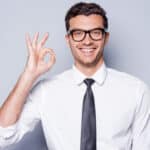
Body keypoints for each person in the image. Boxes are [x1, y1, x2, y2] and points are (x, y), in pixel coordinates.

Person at [0, 2, 150, 150]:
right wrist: (28, 75)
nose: (87, 40)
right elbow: (3, 136)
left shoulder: (136, 91)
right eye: (78, 33)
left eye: (96, 32)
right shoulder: (46, 91)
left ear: (106, 37)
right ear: (68, 39)